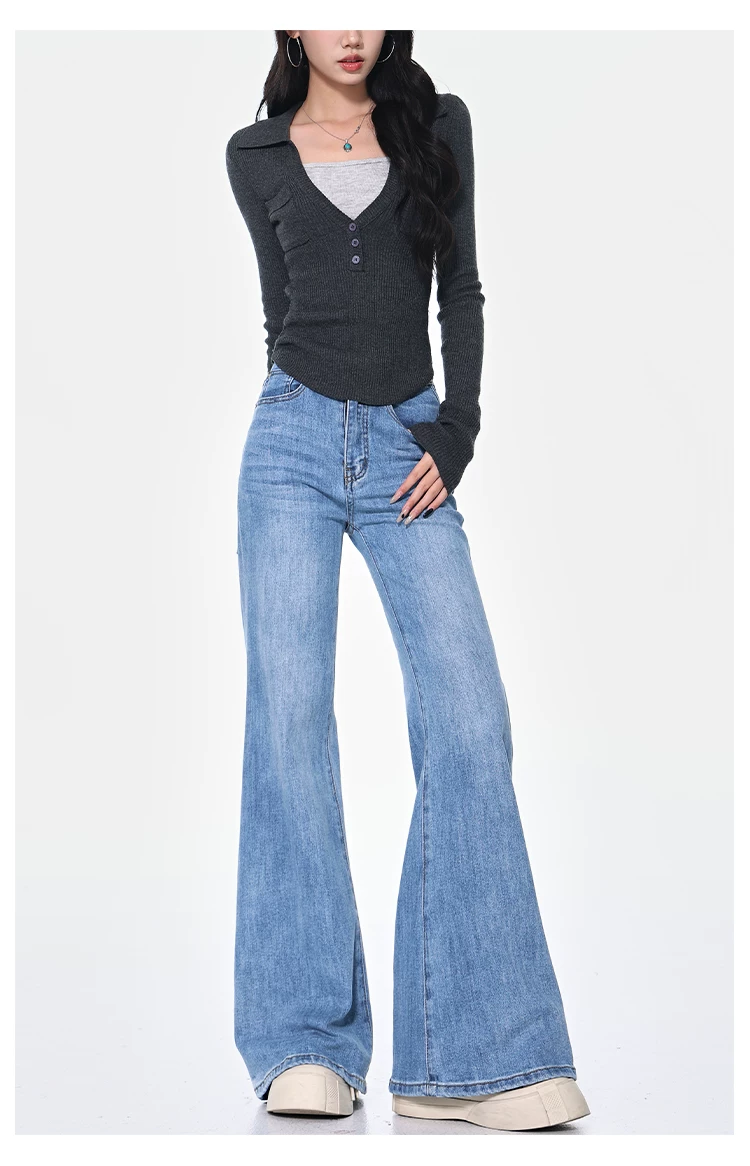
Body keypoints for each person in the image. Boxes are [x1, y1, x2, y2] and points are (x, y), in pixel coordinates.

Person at [225, 29, 590, 1132]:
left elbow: (460, 289)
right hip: (289, 444)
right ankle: (304, 1042)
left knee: (470, 718)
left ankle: (465, 1057)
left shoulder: (437, 124)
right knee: (290, 724)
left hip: (408, 450)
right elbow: (281, 315)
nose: (353, 27)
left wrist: (455, 433)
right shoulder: (254, 154)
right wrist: (318, 419)